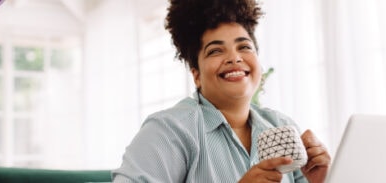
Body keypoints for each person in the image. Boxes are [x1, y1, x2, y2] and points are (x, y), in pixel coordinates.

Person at [112, 0, 331, 182]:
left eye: (244, 47)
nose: (234, 58)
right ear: (196, 74)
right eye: (215, 50)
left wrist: (323, 180)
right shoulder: (169, 131)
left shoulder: (282, 126)